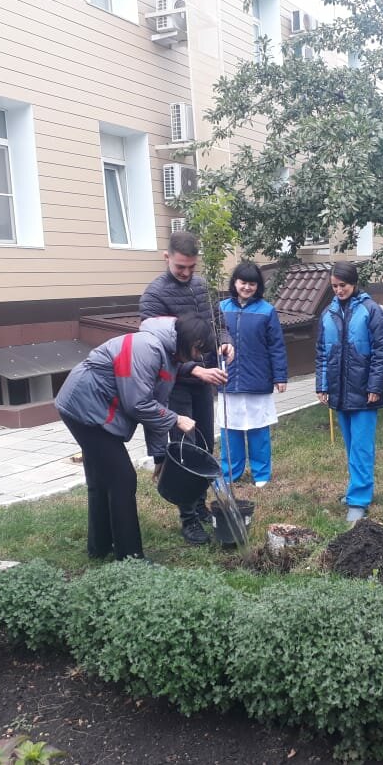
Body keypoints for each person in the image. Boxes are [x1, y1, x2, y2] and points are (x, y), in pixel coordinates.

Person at [54, 315, 213, 560]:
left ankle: (99, 549)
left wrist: (160, 455)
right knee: (122, 479)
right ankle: (130, 558)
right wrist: (176, 419)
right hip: (84, 407)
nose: (197, 357)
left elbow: (155, 406)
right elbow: (138, 404)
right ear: (189, 339)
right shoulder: (147, 349)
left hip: (90, 407)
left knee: (100, 480)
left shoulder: (169, 356)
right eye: (197, 349)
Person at [138, 231, 234, 546]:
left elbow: (218, 323)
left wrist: (226, 344)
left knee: (205, 446)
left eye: (192, 267)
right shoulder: (154, 296)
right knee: (184, 451)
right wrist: (195, 369)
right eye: (181, 267)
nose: (187, 273)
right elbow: (158, 352)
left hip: (204, 383)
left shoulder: (202, 286)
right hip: (175, 385)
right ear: (167, 258)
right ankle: (188, 519)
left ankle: (200, 504)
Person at [315, 261, 383, 523]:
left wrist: (374, 386)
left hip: (364, 392)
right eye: (334, 286)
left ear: (354, 283)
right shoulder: (328, 314)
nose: (338, 290)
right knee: (351, 446)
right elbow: (322, 353)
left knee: (361, 447)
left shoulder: (372, 311)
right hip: (338, 391)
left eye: (343, 285)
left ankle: (359, 500)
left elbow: (382, 353)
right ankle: (357, 488)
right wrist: (322, 385)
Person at [217, 262, 288, 487]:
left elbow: (276, 346)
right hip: (228, 379)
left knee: (258, 429)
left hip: (257, 379)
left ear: (258, 286)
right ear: (235, 283)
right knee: (230, 429)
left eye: (252, 283)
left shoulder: (267, 311)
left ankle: (262, 474)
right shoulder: (221, 308)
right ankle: (230, 473)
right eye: (243, 282)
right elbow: (212, 339)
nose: (247, 287)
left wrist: (280, 376)